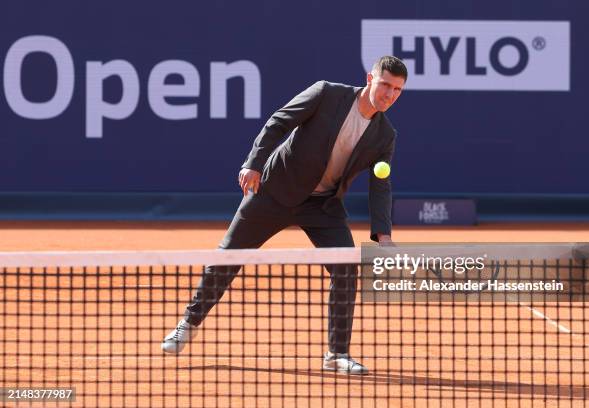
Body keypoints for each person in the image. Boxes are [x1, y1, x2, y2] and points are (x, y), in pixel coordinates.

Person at [162, 56, 407, 374]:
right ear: (370, 79)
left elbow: (380, 185)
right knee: (228, 257)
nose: (390, 94)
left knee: (346, 269)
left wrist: (383, 235)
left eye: (398, 90)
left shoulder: (384, 135)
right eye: (386, 84)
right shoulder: (327, 94)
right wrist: (254, 163)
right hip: (274, 190)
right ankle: (188, 323)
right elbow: (279, 121)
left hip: (322, 205)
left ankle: (337, 354)